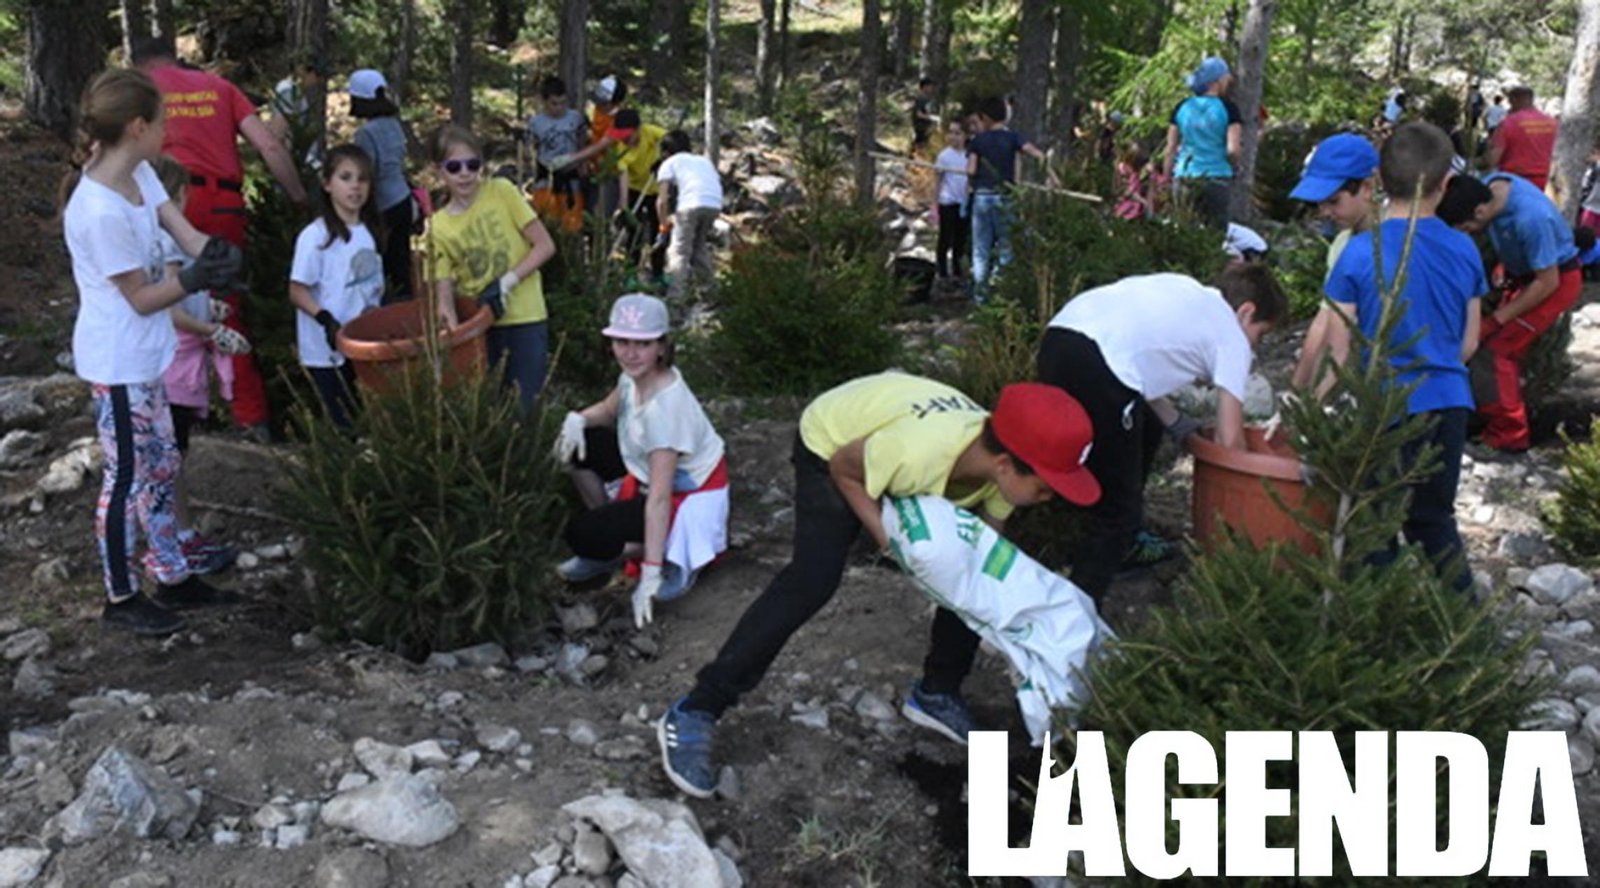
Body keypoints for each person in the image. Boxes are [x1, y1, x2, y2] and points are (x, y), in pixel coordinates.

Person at [655, 372, 1103, 798]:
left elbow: (980, 565)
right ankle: (697, 708)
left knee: (968, 579)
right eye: (1046, 488)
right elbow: (845, 469)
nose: (1050, 498)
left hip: (894, 443)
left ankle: (937, 693)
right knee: (813, 579)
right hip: (834, 444)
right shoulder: (917, 451)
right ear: (1005, 466)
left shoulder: (999, 470)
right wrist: (885, 538)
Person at [62, 68, 245, 635]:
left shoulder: (140, 172)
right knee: (126, 478)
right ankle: (120, 597)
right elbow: (142, 298)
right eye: (162, 122)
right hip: (118, 362)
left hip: (149, 356)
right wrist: (191, 280)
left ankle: (172, 573)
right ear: (137, 127)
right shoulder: (98, 211)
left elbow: (183, 232)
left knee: (163, 465)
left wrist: (213, 254)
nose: (169, 132)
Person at [1037, 263, 1287, 602]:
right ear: (1246, 312)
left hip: (1059, 338)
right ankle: (1076, 610)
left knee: (1144, 427)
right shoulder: (1231, 334)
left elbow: (1138, 365)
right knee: (1116, 513)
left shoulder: (1187, 291)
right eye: (1261, 334)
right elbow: (1230, 441)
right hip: (1099, 362)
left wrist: (1178, 424)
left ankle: (1124, 545)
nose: (1255, 347)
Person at [1321, 122, 1485, 590]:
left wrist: (1312, 405)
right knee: (1434, 521)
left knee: (1373, 524)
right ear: (1445, 183)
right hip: (1449, 402)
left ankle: (1378, 620)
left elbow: (1339, 352)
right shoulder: (1464, 248)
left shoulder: (1359, 253)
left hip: (1383, 407)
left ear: (1378, 179)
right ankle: (1461, 619)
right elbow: (1469, 342)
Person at [132, 37, 308, 443]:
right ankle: (251, 418)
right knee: (227, 308)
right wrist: (298, 196)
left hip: (166, 201)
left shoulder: (140, 91)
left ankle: (174, 410)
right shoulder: (220, 88)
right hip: (224, 203)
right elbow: (268, 144)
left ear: (140, 64)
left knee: (163, 302)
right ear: (175, 59)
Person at [554, 294, 729, 627]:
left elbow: (660, 497)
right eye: (622, 342)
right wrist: (577, 420)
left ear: (661, 347)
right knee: (581, 445)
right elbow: (608, 411)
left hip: (685, 493)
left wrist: (650, 572)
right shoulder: (632, 378)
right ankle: (612, 532)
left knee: (582, 534)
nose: (631, 353)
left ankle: (663, 553)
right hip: (645, 468)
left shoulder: (666, 412)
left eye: (643, 344)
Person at [151, 155, 250, 577]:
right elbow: (168, 308)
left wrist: (209, 308)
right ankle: (178, 537)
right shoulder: (168, 244)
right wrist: (210, 330)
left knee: (177, 451)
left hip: (178, 362)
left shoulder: (158, 242)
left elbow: (183, 299)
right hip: (174, 364)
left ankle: (179, 533)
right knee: (171, 455)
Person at [1437, 171, 1581, 453]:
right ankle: (1491, 411)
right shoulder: (1492, 185)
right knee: (1497, 347)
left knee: (1496, 352)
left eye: (1467, 228)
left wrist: (1495, 320)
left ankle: (1510, 433)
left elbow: (1547, 281)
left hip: (1553, 283)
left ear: (1479, 212)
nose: (1468, 234)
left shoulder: (1532, 218)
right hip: (1524, 275)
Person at [427, 125, 557, 415]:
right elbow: (443, 292)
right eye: (454, 167)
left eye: (472, 165)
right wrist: (451, 338)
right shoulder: (437, 227)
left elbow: (545, 245)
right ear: (438, 170)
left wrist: (507, 282)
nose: (465, 174)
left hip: (526, 317)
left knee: (525, 406)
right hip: (481, 327)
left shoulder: (502, 191)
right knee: (488, 409)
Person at [289, 145, 386, 428]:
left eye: (362, 179)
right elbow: (297, 290)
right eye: (346, 177)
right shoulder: (315, 236)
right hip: (327, 351)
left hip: (364, 343)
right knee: (342, 421)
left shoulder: (369, 232)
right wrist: (325, 320)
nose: (355, 186)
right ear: (327, 184)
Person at [1286, 132, 1382, 391]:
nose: (1325, 212)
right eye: (1320, 204)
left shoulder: (1398, 241)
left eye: (1334, 201)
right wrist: (1298, 390)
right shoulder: (1341, 244)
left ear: (1367, 188)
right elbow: (1325, 320)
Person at [966, 95, 1054, 303]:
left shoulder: (978, 141)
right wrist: (1053, 177)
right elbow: (1038, 154)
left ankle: (981, 299)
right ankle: (1001, 293)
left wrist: (973, 178)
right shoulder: (1013, 137)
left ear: (985, 118)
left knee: (980, 251)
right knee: (1006, 248)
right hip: (1005, 198)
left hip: (982, 198)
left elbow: (970, 170)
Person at [349, 69, 415, 303]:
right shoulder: (394, 124)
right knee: (401, 259)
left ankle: (389, 308)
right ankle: (408, 303)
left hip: (383, 205)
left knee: (384, 261)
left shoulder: (365, 133)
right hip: (403, 198)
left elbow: (368, 171)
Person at [1163, 56, 1242, 230]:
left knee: (1184, 230)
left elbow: (1170, 148)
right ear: (1218, 81)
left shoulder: (1182, 107)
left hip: (1185, 175)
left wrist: (1166, 177)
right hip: (1217, 176)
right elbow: (1233, 150)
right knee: (1215, 233)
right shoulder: (1229, 109)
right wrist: (1235, 167)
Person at [653, 130, 723, 302]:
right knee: (698, 248)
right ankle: (710, 293)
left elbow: (662, 200)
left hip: (690, 204)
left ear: (665, 152)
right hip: (714, 204)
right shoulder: (703, 161)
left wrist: (663, 226)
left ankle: (675, 298)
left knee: (678, 251)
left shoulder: (669, 163)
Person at [612, 109, 669, 281]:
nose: (624, 140)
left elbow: (672, 142)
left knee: (658, 230)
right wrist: (624, 206)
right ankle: (630, 274)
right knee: (633, 230)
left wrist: (663, 158)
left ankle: (658, 273)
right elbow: (623, 175)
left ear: (638, 129)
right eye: (621, 136)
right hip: (634, 189)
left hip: (657, 190)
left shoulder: (650, 132)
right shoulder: (620, 148)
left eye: (628, 136)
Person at [527, 75, 590, 208]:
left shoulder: (576, 118)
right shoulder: (536, 123)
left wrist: (583, 165)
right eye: (554, 103)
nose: (559, 107)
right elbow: (532, 147)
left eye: (563, 103)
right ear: (544, 101)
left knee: (573, 214)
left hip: (571, 174)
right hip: (546, 173)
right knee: (545, 212)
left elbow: (582, 141)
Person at [1487, 86, 1557, 190]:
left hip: (1515, 183)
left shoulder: (1508, 123)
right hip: (1546, 183)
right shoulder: (1552, 123)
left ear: (1514, 100)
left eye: (1510, 102)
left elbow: (1493, 159)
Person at [932, 120, 971, 281]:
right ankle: (941, 270)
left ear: (965, 135)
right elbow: (938, 181)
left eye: (958, 133)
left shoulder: (970, 155)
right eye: (951, 133)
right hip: (947, 200)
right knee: (945, 236)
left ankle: (956, 269)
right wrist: (934, 204)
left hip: (963, 201)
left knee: (960, 238)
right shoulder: (944, 156)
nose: (953, 137)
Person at [1112, 143, 1153, 221]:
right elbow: (1127, 192)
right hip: (1127, 204)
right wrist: (1143, 201)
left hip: (1133, 202)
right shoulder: (1125, 170)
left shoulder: (1133, 172)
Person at [911, 78, 938, 157]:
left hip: (927, 127)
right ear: (924, 87)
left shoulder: (929, 99)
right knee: (919, 145)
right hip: (920, 126)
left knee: (925, 145)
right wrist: (932, 117)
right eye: (930, 86)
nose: (932, 88)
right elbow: (918, 114)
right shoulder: (920, 99)